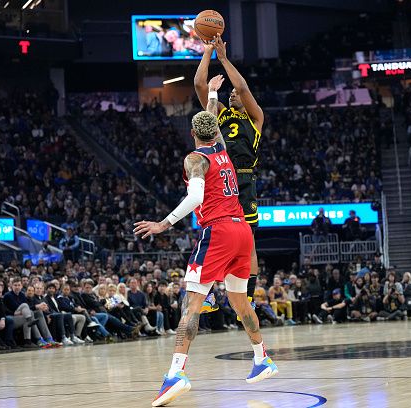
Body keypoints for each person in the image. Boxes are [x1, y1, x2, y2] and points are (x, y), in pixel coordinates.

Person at [133, 109, 277, 407]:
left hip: (220, 231)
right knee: (240, 302)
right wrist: (211, 97)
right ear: (215, 132)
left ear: (192, 134)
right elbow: (211, 124)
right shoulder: (222, 150)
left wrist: (163, 224)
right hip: (243, 232)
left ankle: (175, 373)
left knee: (192, 304)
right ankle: (262, 358)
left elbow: (197, 197)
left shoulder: (195, 159)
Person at [194, 34, 265, 313]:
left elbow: (243, 86)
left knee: (248, 242)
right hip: (221, 177)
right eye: (230, 92)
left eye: (235, 93)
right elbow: (200, 84)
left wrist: (224, 58)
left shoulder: (256, 118)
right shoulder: (219, 114)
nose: (232, 93)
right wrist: (208, 53)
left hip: (244, 179)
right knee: (215, 236)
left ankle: (245, 298)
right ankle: (209, 294)